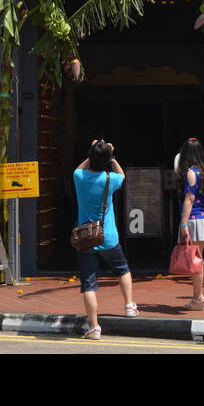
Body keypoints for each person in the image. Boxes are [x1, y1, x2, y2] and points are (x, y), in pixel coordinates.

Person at [73, 139, 139, 340]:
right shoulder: (110, 179)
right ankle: (129, 305)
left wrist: (94, 151)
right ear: (107, 159)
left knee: (89, 284)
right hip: (108, 236)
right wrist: (110, 155)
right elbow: (122, 175)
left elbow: (79, 167)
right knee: (123, 269)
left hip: (86, 238)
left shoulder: (79, 177)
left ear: (90, 157)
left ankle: (94, 327)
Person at [175, 138, 204, 311]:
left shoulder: (191, 172)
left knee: (194, 260)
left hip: (193, 219)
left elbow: (189, 198)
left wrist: (183, 223)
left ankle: (197, 298)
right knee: (199, 258)